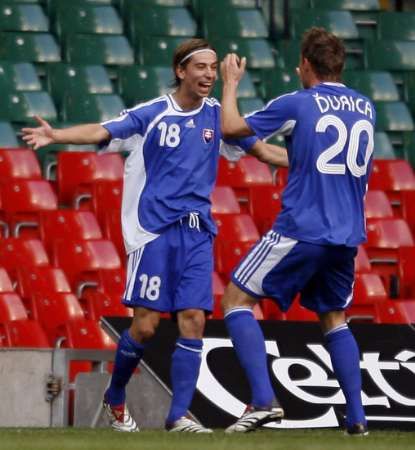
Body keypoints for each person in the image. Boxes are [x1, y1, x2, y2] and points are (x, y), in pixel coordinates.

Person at [21, 38, 288, 433]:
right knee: (145, 326)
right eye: (201, 67)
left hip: (197, 233)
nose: (210, 75)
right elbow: (101, 130)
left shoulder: (219, 116)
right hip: (153, 233)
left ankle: (178, 416)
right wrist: (56, 136)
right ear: (181, 71)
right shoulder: (153, 113)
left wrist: (314, 162)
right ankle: (115, 396)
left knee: (194, 319)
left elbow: (264, 152)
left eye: (214, 68)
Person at [219, 27, 374, 435]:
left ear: (305, 65)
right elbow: (304, 157)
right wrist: (255, 149)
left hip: (303, 227)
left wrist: (230, 84)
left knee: (235, 300)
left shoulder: (300, 102)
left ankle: (263, 401)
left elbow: (231, 125)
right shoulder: (365, 107)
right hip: (346, 236)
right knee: (334, 318)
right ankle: (357, 419)